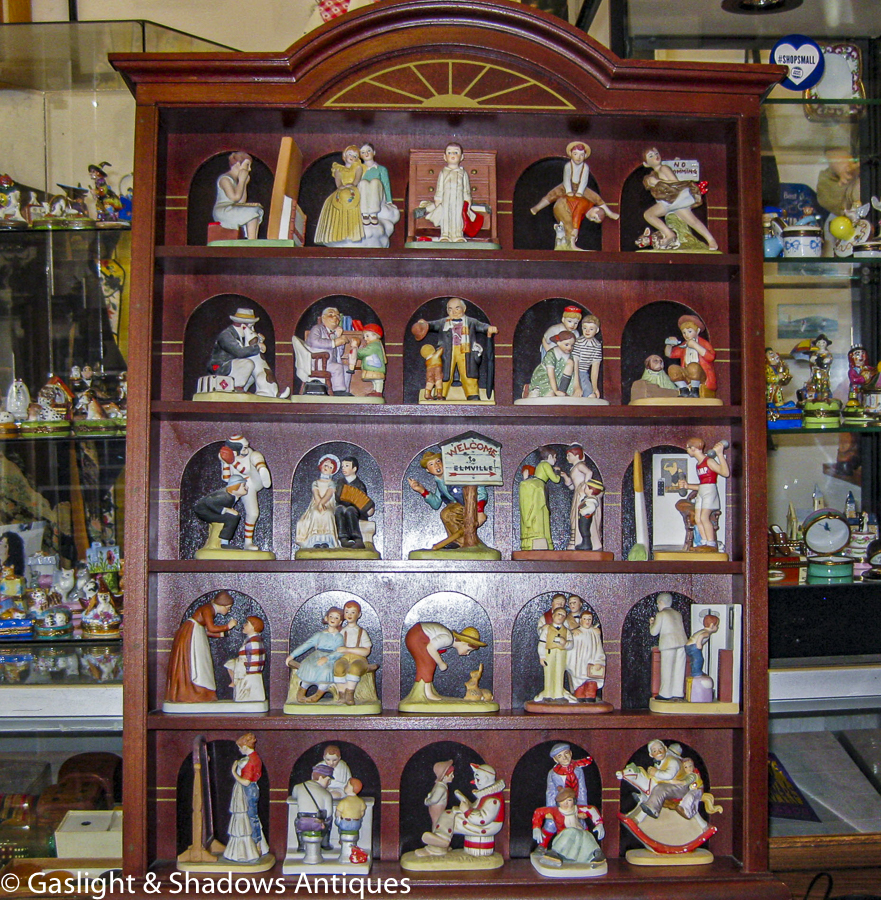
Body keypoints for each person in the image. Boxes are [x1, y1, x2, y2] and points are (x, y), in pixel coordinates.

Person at [529, 142, 619, 250]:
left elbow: (584, 180)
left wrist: (580, 191)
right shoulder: (568, 166)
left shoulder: (585, 167)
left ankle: (609, 212)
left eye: (582, 155)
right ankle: (538, 207)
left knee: (595, 197)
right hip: (567, 188)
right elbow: (567, 179)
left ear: (585, 156)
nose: (578, 157)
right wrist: (568, 190)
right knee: (553, 194)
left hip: (581, 188)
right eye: (576, 154)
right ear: (571, 154)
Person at [411, 297, 497, 401]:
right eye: (450, 309)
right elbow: (431, 325)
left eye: (457, 308)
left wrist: (488, 328)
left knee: (469, 373)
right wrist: (424, 324)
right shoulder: (443, 322)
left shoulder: (471, 322)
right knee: (444, 374)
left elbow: (481, 326)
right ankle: (440, 394)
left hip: (466, 351)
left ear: (464, 309)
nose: (454, 312)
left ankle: (472, 394)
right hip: (447, 352)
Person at [418, 762, 505, 858]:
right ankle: (440, 841)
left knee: (451, 819)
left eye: (478, 779)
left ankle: (438, 846)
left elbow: (482, 819)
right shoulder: (486, 795)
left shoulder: (493, 800)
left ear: (487, 779)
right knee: (449, 813)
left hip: (486, 827)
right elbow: (475, 808)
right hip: (480, 823)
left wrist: (466, 811)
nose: (475, 782)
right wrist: (465, 803)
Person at [165, 591, 237, 703]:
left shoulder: (209, 610)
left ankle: (201, 693)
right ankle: (195, 692)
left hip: (196, 633)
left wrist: (222, 634)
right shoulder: (208, 609)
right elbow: (211, 628)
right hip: (191, 634)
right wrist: (228, 626)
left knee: (202, 663)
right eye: (228, 608)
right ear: (222, 605)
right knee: (197, 663)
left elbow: (206, 631)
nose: (229, 611)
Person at [640, 147, 718, 251]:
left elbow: (675, 182)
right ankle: (670, 234)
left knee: (649, 215)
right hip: (667, 201)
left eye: (656, 153)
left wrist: (658, 182)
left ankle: (710, 240)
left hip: (675, 199)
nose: (655, 156)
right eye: (651, 156)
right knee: (691, 220)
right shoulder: (653, 174)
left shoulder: (664, 168)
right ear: (646, 164)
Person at [407, 449, 488, 548]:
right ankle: (460, 542)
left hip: (469, 505)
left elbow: (479, 487)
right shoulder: (440, 483)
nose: (436, 466)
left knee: (447, 513)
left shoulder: (457, 474)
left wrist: (479, 510)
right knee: (448, 514)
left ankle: (460, 542)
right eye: (431, 464)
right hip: (458, 509)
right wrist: (422, 490)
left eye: (438, 461)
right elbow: (436, 504)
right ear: (428, 470)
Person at [205, 308, 290, 399]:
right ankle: (236, 388)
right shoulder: (226, 335)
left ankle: (242, 388)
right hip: (220, 367)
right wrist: (258, 347)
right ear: (243, 326)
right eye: (251, 327)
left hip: (233, 366)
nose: (253, 329)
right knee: (248, 364)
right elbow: (239, 352)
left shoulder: (241, 335)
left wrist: (259, 340)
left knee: (253, 369)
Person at [404, 621, 486, 700]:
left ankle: (427, 691)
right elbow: (431, 647)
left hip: (418, 635)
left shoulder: (449, 640)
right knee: (428, 663)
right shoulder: (448, 639)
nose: (468, 653)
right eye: (468, 650)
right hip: (417, 636)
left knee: (430, 661)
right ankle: (426, 693)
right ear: (464, 642)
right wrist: (441, 663)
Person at [222, 733, 269, 863]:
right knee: (252, 817)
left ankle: (256, 845)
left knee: (251, 817)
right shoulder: (254, 757)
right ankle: (256, 844)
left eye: (240, 747)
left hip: (249, 790)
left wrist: (233, 772)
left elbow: (246, 782)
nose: (239, 750)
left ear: (244, 746)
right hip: (252, 789)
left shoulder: (250, 761)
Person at [219, 435, 272, 550]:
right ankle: (246, 542)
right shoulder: (225, 455)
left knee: (256, 455)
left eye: (246, 446)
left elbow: (246, 470)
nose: (246, 450)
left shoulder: (249, 453)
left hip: (252, 480)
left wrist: (233, 462)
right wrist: (226, 463)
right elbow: (226, 478)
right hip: (238, 485)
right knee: (253, 513)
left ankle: (261, 468)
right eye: (243, 448)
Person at [532, 786, 605, 868]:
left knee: (587, 835)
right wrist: (536, 827)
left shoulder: (577, 809)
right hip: (565, 837)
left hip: (580, 837)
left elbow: (592, 810)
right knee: (571, 831)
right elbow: (538, 812)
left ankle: (597, 854)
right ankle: (555, 853)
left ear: (574, 801)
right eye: (563, 801)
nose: (566, 803)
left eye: (569, 800)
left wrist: (599, 824)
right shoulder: (555, 811)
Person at [286, 606, 346, 703]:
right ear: (326, 618)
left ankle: (317, 695)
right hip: (316, 655)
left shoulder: (339, 637)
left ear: (340, 622)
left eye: (337, 618)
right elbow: (306, 645)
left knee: (326, 670)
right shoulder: (319, 635)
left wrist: (327, 658)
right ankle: (301, 692)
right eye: (331, 616)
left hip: (330, 658)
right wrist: (292, 655)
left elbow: (340, 651)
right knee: (308, 666)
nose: (333, 619)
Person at [678, 437, 730, 550]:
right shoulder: (698, 465)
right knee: (697, 518)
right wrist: (687, 486)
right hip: (702, 491)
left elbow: (725, 473)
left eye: (687, 448)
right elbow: (702, 485)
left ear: (693, 448)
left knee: (704, 517)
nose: (687, 450)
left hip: (710, 492)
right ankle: (704, 542)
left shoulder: (709, 461)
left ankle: (711, 543)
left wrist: (720, 454)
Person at [418, 143, 474, 242]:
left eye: (456, 152)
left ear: (461, 157)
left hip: (459, 200)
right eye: (449, 152)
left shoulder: (463, 173)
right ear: (445, 157)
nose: (452, 155)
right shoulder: (443, 172)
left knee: (458, 217)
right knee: (446, 216)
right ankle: (445, 234)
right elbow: (440, 188)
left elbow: (466, 189)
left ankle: (458, 235)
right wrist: (438, 199)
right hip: (446, 200)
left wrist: (467, 200)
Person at [314, 145, 364, 245]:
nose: (352, 157)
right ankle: (335, 233)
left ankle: (352, 232)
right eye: (350, 154)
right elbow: (338, 182)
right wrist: (341, 186)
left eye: (355, 156)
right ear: (344, 155)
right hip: (341, 190)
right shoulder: (338, 169)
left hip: (352, 189)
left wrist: (352, 184)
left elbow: (357, 179)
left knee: (350, 198)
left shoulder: (358, 167)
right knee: (334, 200)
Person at [518, 446, 564, 550]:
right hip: (538, 487)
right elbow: (556, 479)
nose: (555, 460)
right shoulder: (546, 465)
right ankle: (541, 538)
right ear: (550, 457)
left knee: (540, 511)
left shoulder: (540, 464)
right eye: (555, 457)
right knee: (539, 511)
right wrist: (557, 471)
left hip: (537, 485)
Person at [213, 151, 264, 240]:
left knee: (257, 210)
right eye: (247, 165)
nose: (249, 169)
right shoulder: (225, 179)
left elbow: (241, 201)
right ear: (237, 164)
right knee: (252, 212)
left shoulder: (236, 180)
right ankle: (251, 241)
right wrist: (241, 181)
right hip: (223, 211)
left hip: (232, 208)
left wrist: (244, 184)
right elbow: (234, 198)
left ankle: (252, 240)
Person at [334, 600, 376, 706]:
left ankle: (350, 694)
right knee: (338, 667)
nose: (349, 615)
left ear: (359, 614)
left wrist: (347, 649)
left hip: (359, 659)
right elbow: (336, 648)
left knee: (355, 668)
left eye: (353, 612)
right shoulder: (342, 631)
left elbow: (366, 651)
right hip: (344, 658)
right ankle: (342, 694)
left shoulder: (362, 632)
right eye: (347, 612)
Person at [295, 454, 341, 550]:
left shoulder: (331, 483)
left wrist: (322, 504)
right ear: (321, 466)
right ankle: (315, 541)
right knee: (316, 513)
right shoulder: (315, 482)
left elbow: (328, 494)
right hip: (316, 503)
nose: (327, 468)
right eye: (325, 465)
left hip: (327, 504)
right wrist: (319, 504)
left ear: (332, 471)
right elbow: (316, 494)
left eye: (330, 467)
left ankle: (327, 541)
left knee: (328, 514)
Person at [305, 306, 353, 396]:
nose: (335, 318)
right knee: (337, 367)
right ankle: (338, 391)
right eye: (331, 315)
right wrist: (334, 342)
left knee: (346, 369)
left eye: (337, 316)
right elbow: (314, 341)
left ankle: (345, 392)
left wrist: (339, 339)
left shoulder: (333, 333)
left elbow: (339, 353)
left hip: (329, 363)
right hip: (317, 363)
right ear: (323, 317)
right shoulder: (317, 328)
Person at [193, 474, 248, 551]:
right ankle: (224, 543)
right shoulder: (226, 497)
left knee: (233, 516)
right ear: (235, 487)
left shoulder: (230, 496)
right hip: (204, 512)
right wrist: (226, 510)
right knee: (232, 518)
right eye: (243, 486)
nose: (246, 487)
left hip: (210, 510)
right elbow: (209, 501)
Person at [649, 592, 687, 701]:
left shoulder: (661, 614)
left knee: (667, 668)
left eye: (658, 604)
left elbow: (654, 632)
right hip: (682, 642)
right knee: (679, 669)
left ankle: (665, 693)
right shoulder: (678, 614)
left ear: (661, 602)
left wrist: (651, 624)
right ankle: (678, 692)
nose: (657, 606)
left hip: (668, 644)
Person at [563, 444, 601, 551]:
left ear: (577, 455)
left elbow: (589, 472)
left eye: (569, 455)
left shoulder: (580, 465)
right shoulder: (574, 467)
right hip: (577, 493)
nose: (567, 458)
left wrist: (585, 486)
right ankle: (576, 541)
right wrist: (565, 477)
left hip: (582, 493)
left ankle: (583, 542)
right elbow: (571, 486)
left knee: (581, 518)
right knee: (574, 517)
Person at [333, 457, 375, 550]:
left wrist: (367, 508)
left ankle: (358, 539)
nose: (344, 468)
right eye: (343, 466)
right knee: (339, 510)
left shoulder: (359, 484)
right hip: (342, 506)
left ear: (354, 469)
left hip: (356, 510)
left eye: (347, 466)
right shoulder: (340, 482)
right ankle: (343, 539)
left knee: (350, 510)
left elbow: (363, 501)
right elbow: (337, 497)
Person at [534, 606, 574, 702]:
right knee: (549, 673)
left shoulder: (566, 631)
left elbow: (571, 644)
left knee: (559, 673)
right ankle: (548, 694)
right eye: (559, 614)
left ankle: (558, 695)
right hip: (549, 653)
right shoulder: (547, 629)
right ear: (553, 615)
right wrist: (542, 656)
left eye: (563, 615)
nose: (560, 617)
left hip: (561, 654)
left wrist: (565, 643)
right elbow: (542, 643)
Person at [291, 763, 335, 849]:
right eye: (328, 780)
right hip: (317, 825)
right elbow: (329, 814)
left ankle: (301, 845)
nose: (329, 783)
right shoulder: (326, 793)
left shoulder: (298, 787)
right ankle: (325, 843)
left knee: (297, 821)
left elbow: (294, 796)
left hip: (302, 824)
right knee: (329, 820)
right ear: (321, 778)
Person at [526, 331, 581, 398]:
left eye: (572, 345)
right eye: (566, 345)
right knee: (550, 395)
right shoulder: (551, 354)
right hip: (546, 377)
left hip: (559, 378)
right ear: (558, 343)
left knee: (570, 363)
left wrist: (577, 387)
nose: (570, 348)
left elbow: (574, 373)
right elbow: (551, 374)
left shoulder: (570, 356)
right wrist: (555, 391)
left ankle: (562, 391)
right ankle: (536, 390)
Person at [225, 616, 266, 703]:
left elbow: (253, 658)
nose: (244, 625)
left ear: (253, 627)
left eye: (247, 623)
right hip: (245, 665)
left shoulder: (253, 641)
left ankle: (234, 681)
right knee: (229, 664)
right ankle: (233, 681)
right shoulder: (251, 640)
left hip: (248, 669)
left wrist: (245, 669)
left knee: (231, 664)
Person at [567, 610, 606, 700]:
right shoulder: (577, 633)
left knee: (591, 684)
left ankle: (590, 697)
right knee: (580, 685)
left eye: (589, 619)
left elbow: (599, 648)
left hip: (592, 662)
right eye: (585, 619)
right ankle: (580, 697)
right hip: (580, 664)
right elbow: (570, 648)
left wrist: (599, 661)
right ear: (581, 620)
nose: (587, 621)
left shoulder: (594, 633)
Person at [546, 743, 594, 807]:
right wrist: (551, 808)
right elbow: (551, 792)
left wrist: (582, 805)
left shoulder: (578, 771)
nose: (564, 758)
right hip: (560, 805)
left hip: (575, 804)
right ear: (555, 760)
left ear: (570, 753)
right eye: (559, 756)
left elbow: (582, 789)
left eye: (566, 753)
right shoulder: (552, 773)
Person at [358, 143, 393, 225]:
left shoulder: (381, 169)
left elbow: (386, 184)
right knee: (363, 183)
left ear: (374, 152)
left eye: (368, 151)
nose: (366, 154)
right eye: (363, 152)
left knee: (375, 182)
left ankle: (373, 213)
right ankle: (365, 213)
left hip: (377, 196)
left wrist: (389, 200)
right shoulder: (358, 169)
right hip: (363, 195)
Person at [347, 324, 386, 397]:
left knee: (378, 380)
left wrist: (356, 350)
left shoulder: (374, 345)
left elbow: (366, 352)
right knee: (375, 380)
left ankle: (378, 392)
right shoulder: (372, 344)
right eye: (364, 336)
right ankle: (376, 390)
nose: (365, 338)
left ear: (375, 335)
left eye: (367, 336)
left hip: (376, 367)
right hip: (373, 366)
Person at [572, 315, 603, 399]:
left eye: (591, 329)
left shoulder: (597, 345)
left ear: (597, 330)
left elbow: (595, 367)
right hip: (573, 372)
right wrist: (577, 385)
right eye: (585, 328)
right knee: (575, 395)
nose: (587, 331)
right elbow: (575, 363)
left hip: (583, 373)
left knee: (591, 396)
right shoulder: (578, 342)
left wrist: (595, 388)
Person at [424, 760, 455, 829]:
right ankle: (436, 834)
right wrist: (427, 801)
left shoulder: (441, 786)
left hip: (439, 808)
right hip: (437, 809)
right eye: (451, 775)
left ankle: (436, 833)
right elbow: (434, 800)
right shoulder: (441, 788)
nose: (453, 776)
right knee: (437, 822)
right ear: (444, 777)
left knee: (438, 822)